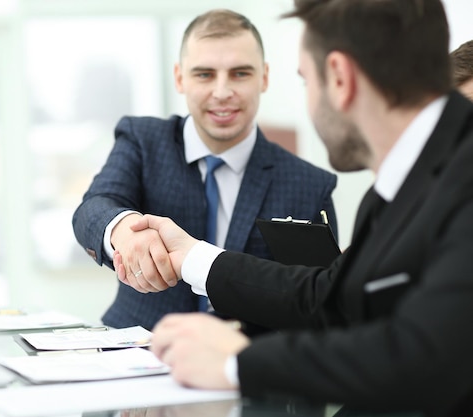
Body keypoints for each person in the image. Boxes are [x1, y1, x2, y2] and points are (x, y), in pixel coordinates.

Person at [114, 0, 473, 415]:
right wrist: (192, 256)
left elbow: (424, 356)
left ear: (339, 78)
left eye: (305, 81)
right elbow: (328, 298)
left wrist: (237, 362)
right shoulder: (398, 187)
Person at [72, 9, 338, 331]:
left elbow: (320, 299)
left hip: (243, 363)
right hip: (138, 347)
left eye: (240, 73)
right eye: (204, 74)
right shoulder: (143, 141)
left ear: (264, 77)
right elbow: (93, 208)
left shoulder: (310, 185)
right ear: (180, 77)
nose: (223, 92)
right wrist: (123, 230)